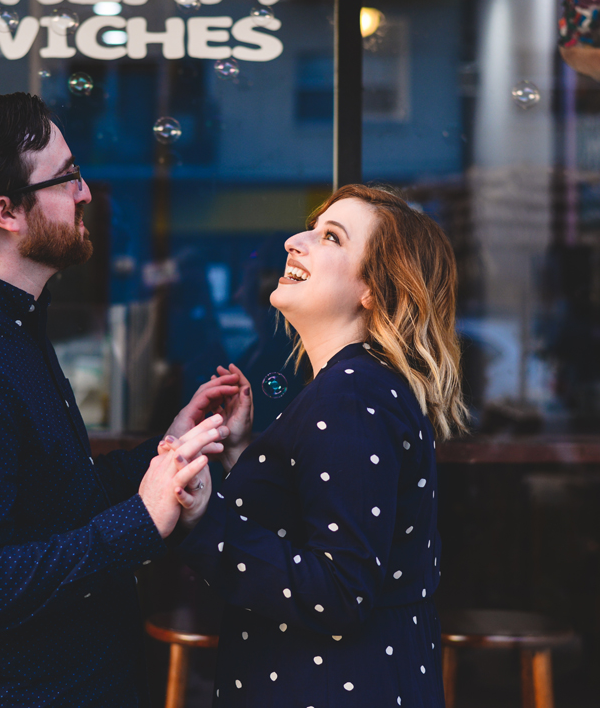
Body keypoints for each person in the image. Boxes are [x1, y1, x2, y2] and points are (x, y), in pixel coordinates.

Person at [0, 93, 240, 707]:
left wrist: (172, 448)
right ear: (6, 212)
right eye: (67, 175)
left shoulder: (7, 329)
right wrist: (139, 524)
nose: (86, 192)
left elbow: (55, 500)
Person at [175, 183, 469, 707]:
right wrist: (246, 454)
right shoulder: (357, 386)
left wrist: (202, 520)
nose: (294, 241)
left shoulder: (351, 394)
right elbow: (315, 525)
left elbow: (339, 591)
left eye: (330, 237)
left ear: (373, 290)